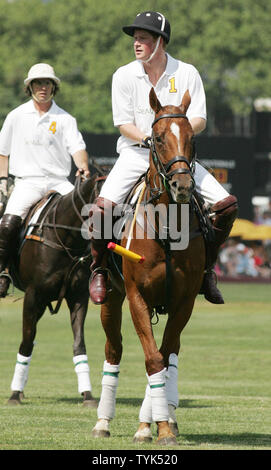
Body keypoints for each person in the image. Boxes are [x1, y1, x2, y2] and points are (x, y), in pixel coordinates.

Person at [89, 11, 238, 305]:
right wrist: (148, 138)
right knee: (102, 209)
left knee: (227, 206)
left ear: (160, 42)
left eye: (143, 38)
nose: (137, 44)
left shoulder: (187, 73)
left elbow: (199, 119)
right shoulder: (123, 75)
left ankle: (207, 269)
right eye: (135, 39)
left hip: (176, 157)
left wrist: (173, 135)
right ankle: (100, 270)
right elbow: (123, 124)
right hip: (136, 153)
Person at [0, 63, 90, 297]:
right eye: (38, 83)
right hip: (28, 181)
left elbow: (78, 148)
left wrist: (82, 166)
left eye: (47, 83)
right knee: (8, 223)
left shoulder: (65, 119)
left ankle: (96, 272)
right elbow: (3, 152)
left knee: (90, 218)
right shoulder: (16, 116)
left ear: (53, 87)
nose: (43, 87)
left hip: (59, 182)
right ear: (30, 87)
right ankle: (3, 271)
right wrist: (2, 179)